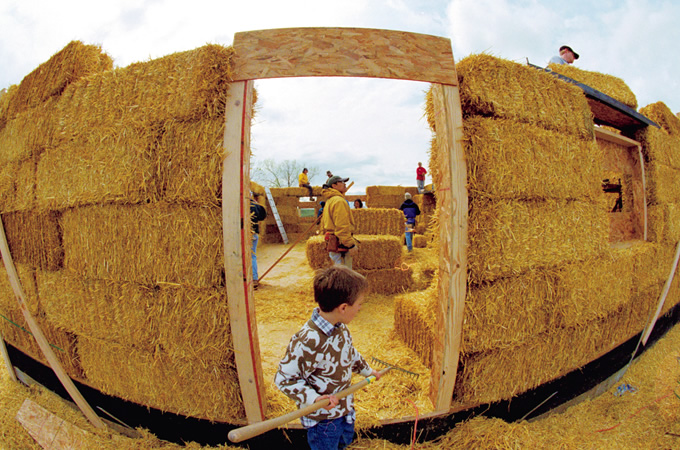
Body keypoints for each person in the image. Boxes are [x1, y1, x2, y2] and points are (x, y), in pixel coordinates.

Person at [275, 265, 381, 450]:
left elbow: (350, 353)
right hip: (323, 420)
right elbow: (284, 379)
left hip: (344, 408)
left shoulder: (341, 328)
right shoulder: (308, 340)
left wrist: (368, 371)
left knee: (343, 442)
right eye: (359, 304)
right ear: (343, 307)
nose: (360, 309)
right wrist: (314, 398)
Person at [322, 175, 358, 268]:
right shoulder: (339, 201)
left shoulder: (330, 200)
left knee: (337, 272)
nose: (344, 184)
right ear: (334, 186)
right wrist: (350, 244)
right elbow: (341, 227)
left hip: (334, 241)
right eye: (341, 182)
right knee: (344, 275)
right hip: (340, 243)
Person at [250, 193, 267, 289]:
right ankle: (254, 279)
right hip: (254, 234)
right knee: (252, 256)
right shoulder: (254, 205)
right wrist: (256, 203)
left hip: (244, 235)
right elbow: (263, 216)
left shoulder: (239, 205)